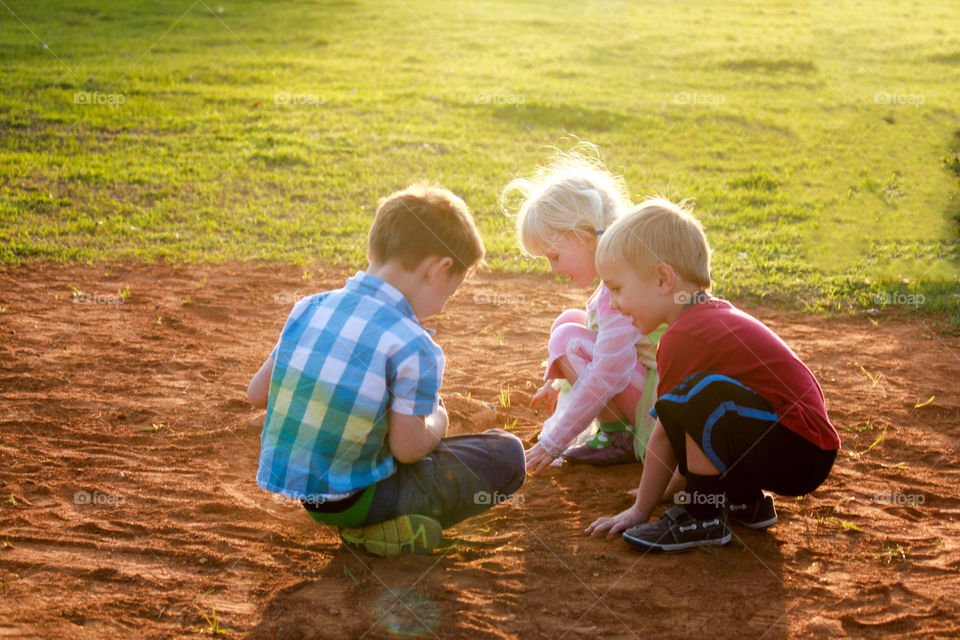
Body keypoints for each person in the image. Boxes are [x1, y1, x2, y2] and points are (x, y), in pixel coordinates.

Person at [247, 184, 525, 557]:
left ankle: (375, 520)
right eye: (450, 292)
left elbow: (257, 394)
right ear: (438, 269)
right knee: (505, 455)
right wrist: (438, 420)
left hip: (310, 498)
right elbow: (408, 449)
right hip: (361, 499)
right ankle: (380, 526)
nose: (442, 307)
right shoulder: (414, 344)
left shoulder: (309, 307)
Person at [586, 198, 840, 551]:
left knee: (700, 395)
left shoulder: (684, 335)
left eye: (617, 288)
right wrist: (673, 488)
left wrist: (639, 510)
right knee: (699, 399)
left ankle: (702, 517)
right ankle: (743, 500)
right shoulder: (705, 319)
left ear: (663, 279)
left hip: (799, 449)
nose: (612, 304)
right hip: (797, 444)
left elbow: (665, 432)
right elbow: (688, 432)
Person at [502, 150, 664, 470]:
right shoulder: (624, 272)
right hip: (652, 390)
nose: (552, 269)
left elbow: (609, 370)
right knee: (570, 321)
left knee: (569, 338)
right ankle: (615, 432)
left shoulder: (619, 293)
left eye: (555, 256)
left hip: (657, 412)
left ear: (587, 237)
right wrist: (557, 381)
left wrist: (554, 442)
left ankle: (619, 437)